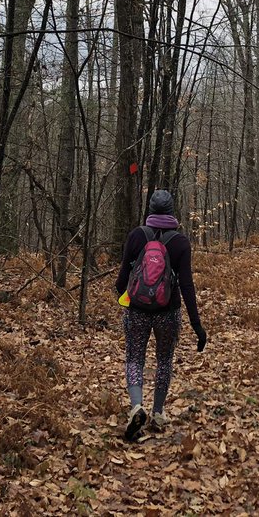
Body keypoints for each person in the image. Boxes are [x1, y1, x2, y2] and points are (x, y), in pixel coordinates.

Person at [115, 189, 207, 441]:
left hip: (137, 311)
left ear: (150, 210)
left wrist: (127, 298)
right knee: (164, 360)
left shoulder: (136, 235)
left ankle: (136, 406)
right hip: (168, 312)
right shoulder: (180, 242)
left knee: (135, 359)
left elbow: (121, 280)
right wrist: (197, 326)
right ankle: (157, 413)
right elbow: (187, 286)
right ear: (171, 211)